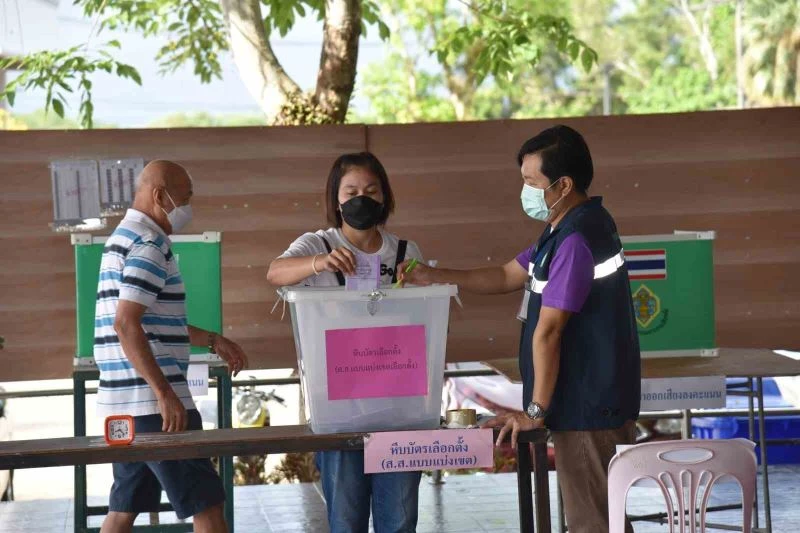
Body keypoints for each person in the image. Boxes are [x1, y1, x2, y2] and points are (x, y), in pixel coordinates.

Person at [400, 125, 641, 533]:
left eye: (532, 182)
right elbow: (503, 275)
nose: (525, 191)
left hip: (586, 408)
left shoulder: (577, 239)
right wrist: (433, 276)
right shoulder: (563, 228)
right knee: (601, 516)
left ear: (563, 184)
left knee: (593, 523)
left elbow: (548, 333)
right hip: (586, 402)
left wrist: (534, 411)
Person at [267, 152, 423, 533]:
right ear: (335, 199)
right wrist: (320, 263)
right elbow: (275, 273)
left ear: (385, 197)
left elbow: (425, 319)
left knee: (399, 519)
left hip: (397, 405)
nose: (361, 198)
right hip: (337, 405)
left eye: (371, 190)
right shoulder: (316, 243)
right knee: (346, 518)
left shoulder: (405, 252)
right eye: (351, 190)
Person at [94, 160, 249, 533]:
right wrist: (163, 392)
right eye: (185, 197)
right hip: (156, 410)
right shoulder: (149, 244)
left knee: (123, 507)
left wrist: (213, 340)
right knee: (207, 507)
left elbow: (150, 322)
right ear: (160, 195)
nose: (189, 207)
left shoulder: (121, 238)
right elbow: (126, 323)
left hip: (121, 408)